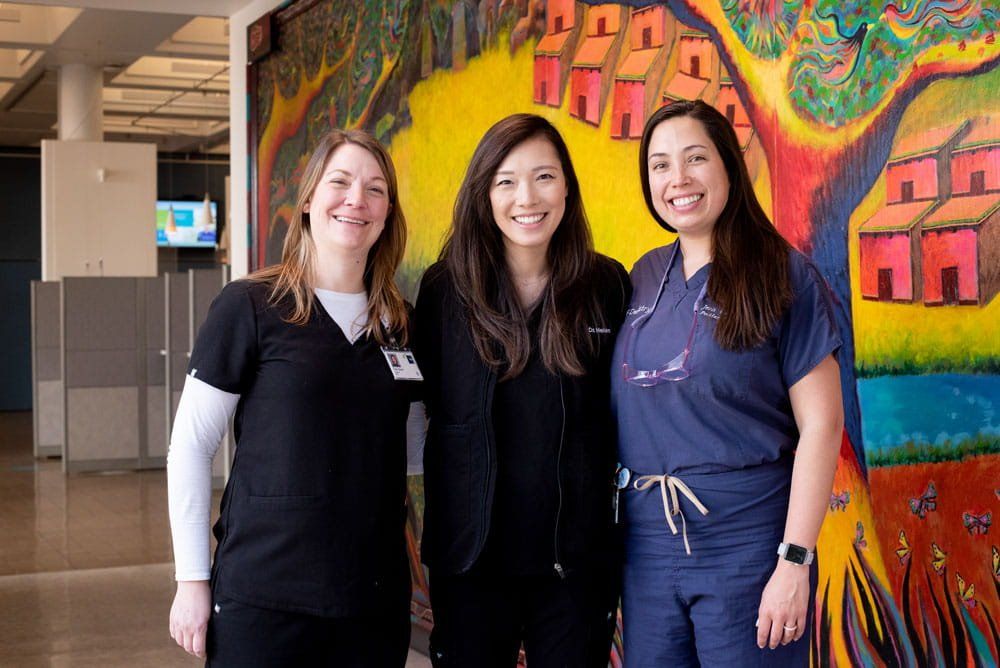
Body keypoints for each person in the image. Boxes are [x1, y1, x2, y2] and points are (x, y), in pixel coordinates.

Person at [166, 129, 423, 666]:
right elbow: (191, 447)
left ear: (387, 213)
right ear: (308, 201)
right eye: (341, 182)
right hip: (265, 600)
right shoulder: (250, 307)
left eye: (376, 189)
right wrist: (191, 578)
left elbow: (414, 456)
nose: (357, 199)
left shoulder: (401, 325)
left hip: (370, 602)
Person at [611, 100, 844, 667]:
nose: (678, 179)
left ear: (729, 168)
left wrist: (794, 560)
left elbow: (823, 423)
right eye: (660, 165)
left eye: (695, 158)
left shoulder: (783, 274)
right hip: (647, 548)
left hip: (748, 544)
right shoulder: (640, 276)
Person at [414, 114, 630, 668]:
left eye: (544, 177)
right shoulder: (444, 290)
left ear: (567, 188)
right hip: (471, 561)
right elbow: (425, 409)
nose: (526, 198)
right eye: (505, 181)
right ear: (483, 193)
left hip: (575, 563)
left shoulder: (606, 285)